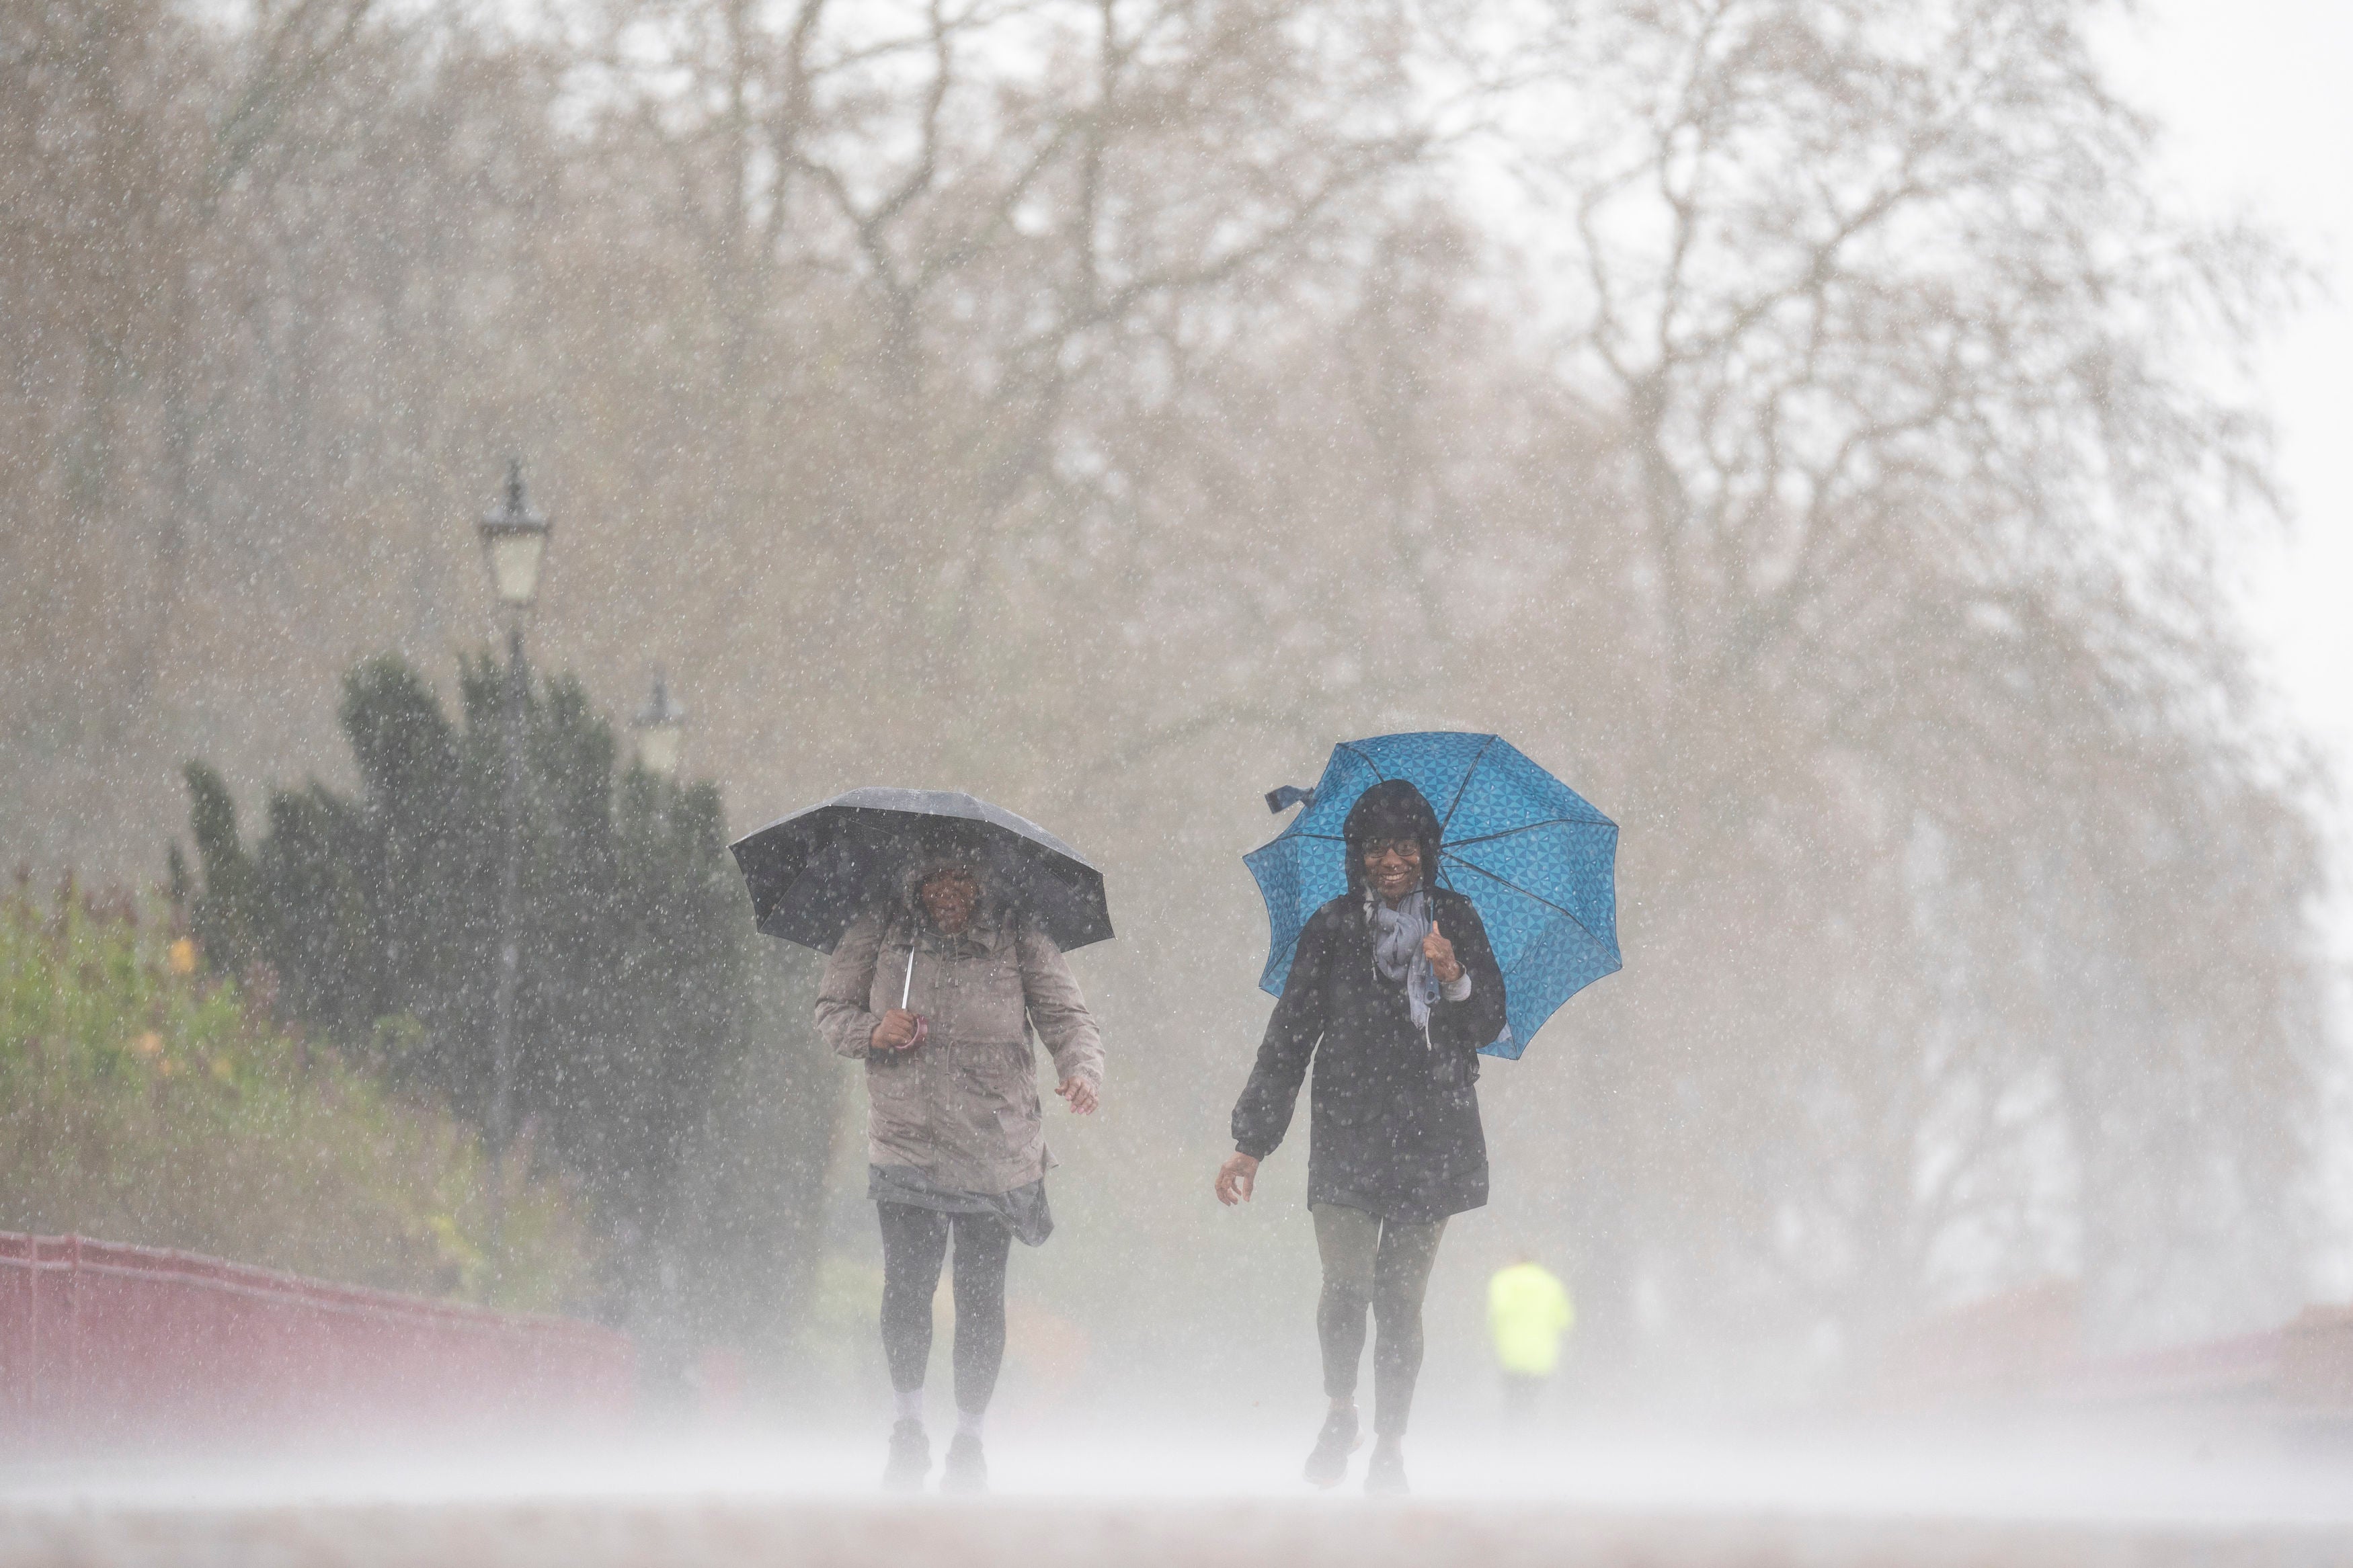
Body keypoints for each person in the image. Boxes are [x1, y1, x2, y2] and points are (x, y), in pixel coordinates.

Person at [1215, 779, 1508, 1495]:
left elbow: (1488, 1024)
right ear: (1357, 856)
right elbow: (1289, 1036)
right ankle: (1341, 1411)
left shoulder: (1456, 920)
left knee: (1399, 1300)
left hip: (1433, 1141)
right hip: (1347, 1134)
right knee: (1346, 1285)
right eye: (1376, 847)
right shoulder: (1332, 926)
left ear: (1426, 850)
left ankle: (1390, 1446)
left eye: (1404, 846)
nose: (1391, 860)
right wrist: (1251, 1141)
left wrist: (1453, 975)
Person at [816, 850, 1105, 1495]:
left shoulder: (1019, 934)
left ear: (983, 880)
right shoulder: (883, 927)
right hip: (906, 1140)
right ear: (915, 880)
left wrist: (1082, 1071)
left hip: (994, 1147)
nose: (948, 891)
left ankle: (969, 1441)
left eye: (962, 879)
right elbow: (832, 1009)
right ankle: (908, 1429)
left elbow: (1068, 1018)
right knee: (907, 1288)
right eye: (935, 879)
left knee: (980, 1297)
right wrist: (873, 1029)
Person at [1487, 1254, 1574, 1423]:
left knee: (1512, 1404)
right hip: (1541, 1359)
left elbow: (1494, 1315)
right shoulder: (1551, 1284)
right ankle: (1531, 1433)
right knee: (1534, 1404)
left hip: (1510, 1356)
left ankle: (1514, 1434)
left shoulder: (1502, 1282)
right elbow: (1565, 1321)